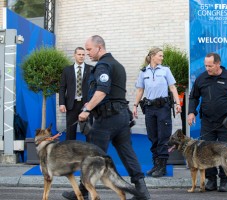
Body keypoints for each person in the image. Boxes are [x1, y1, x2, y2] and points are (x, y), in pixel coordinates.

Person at [62, 35, 151, 200]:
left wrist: (87, 109)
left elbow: (102, 90)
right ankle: (142, 191)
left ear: (99, 47)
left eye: (89, 49)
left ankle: (83, 192)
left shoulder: (103, 65)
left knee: (92, 155)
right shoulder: (117, 65)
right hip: (122, 116)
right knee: (127, 152)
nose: (87, 53)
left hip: (107, 118)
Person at [187, 52, 227, 192]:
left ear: (218, 64)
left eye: (210, 65)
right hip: (208, 122)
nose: (207, 68)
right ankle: (211, 181)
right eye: (205, 65)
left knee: (225, 153)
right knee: (206, 153)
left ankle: (224, 181)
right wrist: (191, 112)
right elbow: (193, 97)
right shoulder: (201, 78)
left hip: (225, 122)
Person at [132, 47, 182, 178]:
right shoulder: (143, 72)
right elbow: (140, 91)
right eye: (160, 55)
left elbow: (172, 88)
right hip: (149, 108)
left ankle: (162, 167)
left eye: (162, 56)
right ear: (153, 56)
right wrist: (135, 105)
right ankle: (156, 164)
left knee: (163, 137)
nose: (162, 58)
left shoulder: (165, 70)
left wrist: (177, 103)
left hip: (163, 108)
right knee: (152, 137)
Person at [59, 47, 92, 141]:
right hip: (71, 105)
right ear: (74, 55)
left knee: (89, 131)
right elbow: (62, 88)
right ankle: (70, 153)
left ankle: (90, 152)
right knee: (70, 132)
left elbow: (94, 88)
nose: (81, 56)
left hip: (86, 105)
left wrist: (91, 103)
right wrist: (62, 103)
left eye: (83, 54)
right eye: (79, 54)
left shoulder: (91, 69)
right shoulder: (67, 70)